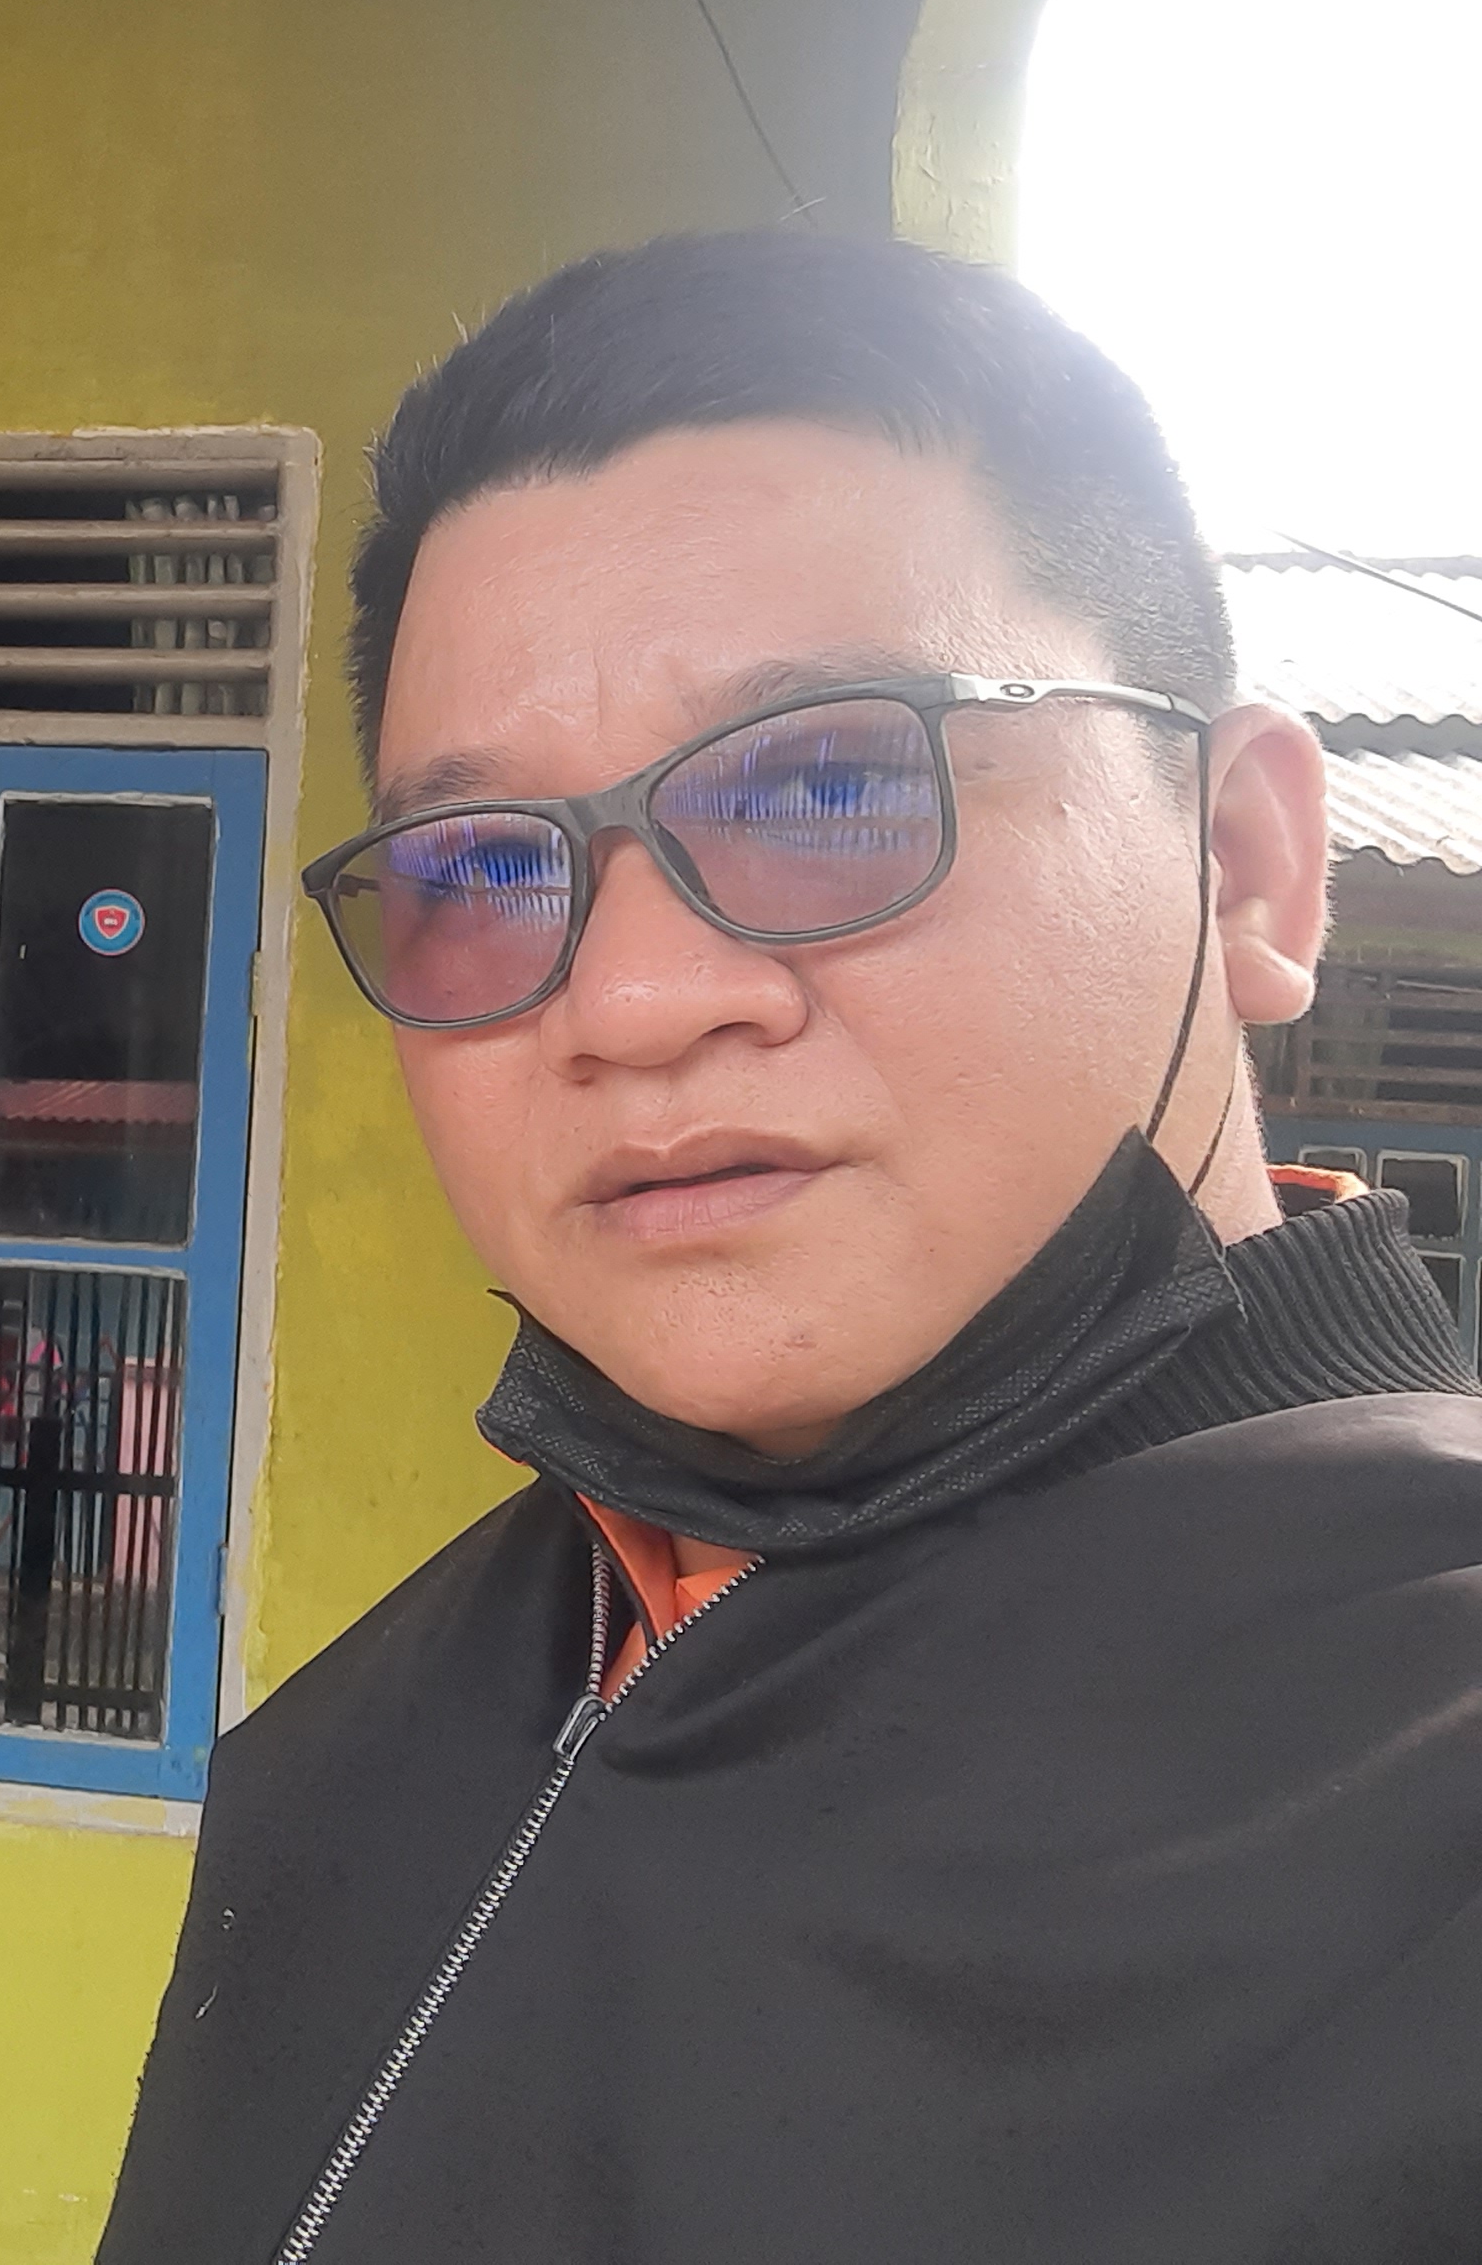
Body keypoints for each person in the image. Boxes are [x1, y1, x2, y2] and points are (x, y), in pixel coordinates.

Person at [94, 231, 1482, 2263]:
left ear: (1243, 859)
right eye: (481, 868)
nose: (633, 1001)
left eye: (829, 783)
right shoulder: (358, 1744)